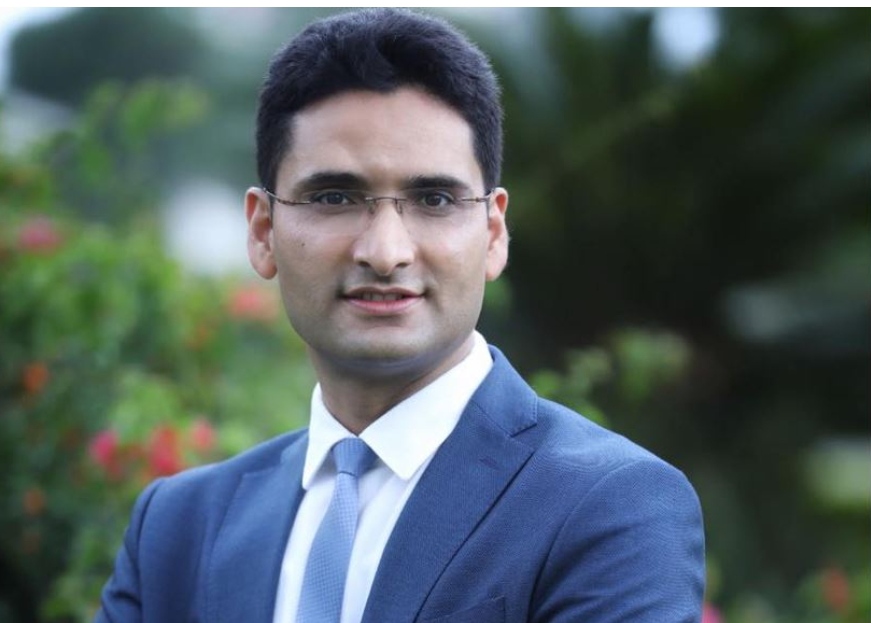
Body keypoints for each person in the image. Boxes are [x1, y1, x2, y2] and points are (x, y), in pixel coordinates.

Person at [96, 8, 705, 623]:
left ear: (493, 233)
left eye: (434, 199)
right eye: (335, 197)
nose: (385, 253)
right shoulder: (177, 529)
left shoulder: (610, 507)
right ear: (262, 231)